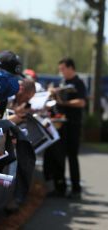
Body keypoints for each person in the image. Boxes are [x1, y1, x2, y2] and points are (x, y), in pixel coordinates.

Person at [48, 57, 86, 198]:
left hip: (73, 125)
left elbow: (81, 102)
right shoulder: (62, 82)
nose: (61, 72)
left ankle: (76, 189)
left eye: (63, 69)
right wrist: (53, 94)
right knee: (58, 156)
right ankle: (60, 188)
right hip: (60, 125)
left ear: (71, 68)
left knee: (72, 157)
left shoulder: (78, 83)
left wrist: (64, 102)